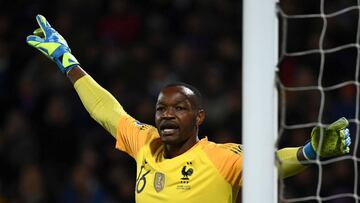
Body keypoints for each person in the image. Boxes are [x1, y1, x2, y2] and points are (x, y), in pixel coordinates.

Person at [26, 15, 352, 203]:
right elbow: (107, 110)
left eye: (179, 107)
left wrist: (310, 152)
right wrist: (67, 61)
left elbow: (271, 163)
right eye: (161, 108)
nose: (167, 114)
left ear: (199, 118)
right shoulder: (146, 143)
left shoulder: (219, 158)